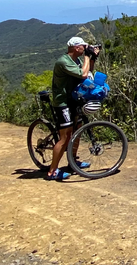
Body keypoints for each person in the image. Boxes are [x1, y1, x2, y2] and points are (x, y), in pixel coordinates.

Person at [46, 36, 97, 181]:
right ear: (76, 47)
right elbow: (83, 73)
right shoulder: (63, 61)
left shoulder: (76, 61)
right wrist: (87, 55)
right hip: (63, 102)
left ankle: (73, 161)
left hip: (73, 99)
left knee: (77, 130)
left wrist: (92, 57)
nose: (85, 48)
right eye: (83, 46)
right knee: (65, 137)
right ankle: (52, 171)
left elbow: (87, 74)